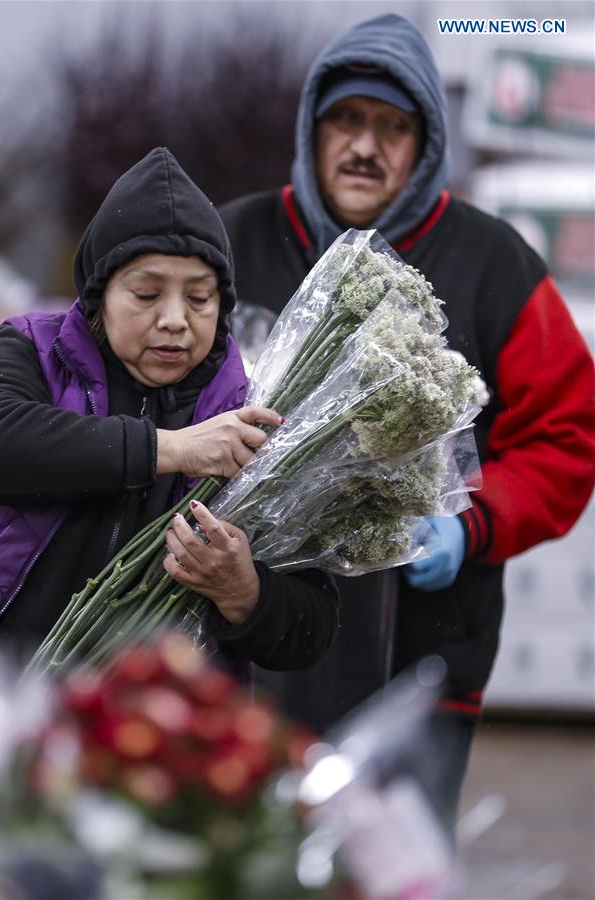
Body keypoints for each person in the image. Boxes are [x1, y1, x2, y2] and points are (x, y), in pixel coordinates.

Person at [219, 14, 595, 829]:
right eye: (346, 120)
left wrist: (472, 523)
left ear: (426, 146)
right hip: (242, 639)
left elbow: (568, 439)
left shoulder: (494, 262)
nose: (365, 146)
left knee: (390, 868)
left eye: (393, 127)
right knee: (234, 861)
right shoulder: (230, 241)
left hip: (419, 654)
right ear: (312, 128)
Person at [0, 148, 339, 695]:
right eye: (146, 294)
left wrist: (244, 590)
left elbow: (311, 626)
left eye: (199, 298)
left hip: (148, 730)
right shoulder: (31, 350)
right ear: (100, 293)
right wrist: (171, 449)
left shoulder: (251, 415)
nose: (174, 320)